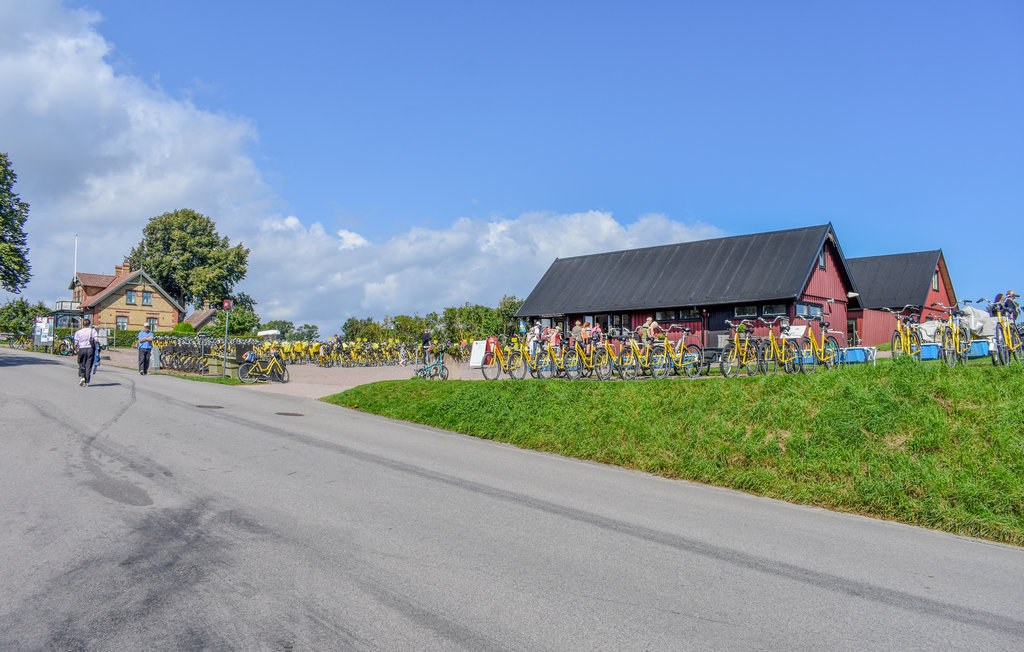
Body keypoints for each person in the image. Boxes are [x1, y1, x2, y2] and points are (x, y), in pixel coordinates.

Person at [73, 318, 98, 386]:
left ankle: (82, 377)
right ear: (89, 324)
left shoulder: (78, 332)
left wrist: (76, 350)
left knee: (81, 363)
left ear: (83, 324)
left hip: (82, 349)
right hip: (90, 349)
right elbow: (96, 340)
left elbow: (76, 343)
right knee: (88, 365)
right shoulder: (92, 331)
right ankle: (87, 381)